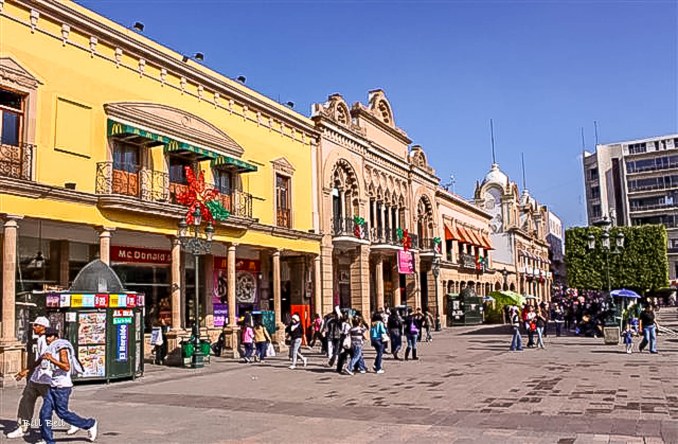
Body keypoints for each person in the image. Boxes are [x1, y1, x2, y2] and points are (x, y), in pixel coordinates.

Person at [38, 327, 98, 444]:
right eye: (46, 337)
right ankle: (47, 440)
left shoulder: (62, 349)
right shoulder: (51, 348)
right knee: (44, 413)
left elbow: (66, 367)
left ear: (56, 337)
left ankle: (90, 424)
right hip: (52, 386)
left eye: (50, 336)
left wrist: (51, 359)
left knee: (62, 413)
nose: (47, 339)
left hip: (62, 387)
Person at [8, 317, 55, 439]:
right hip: (37, 378)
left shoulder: (45, 340)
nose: (33, 327)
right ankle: (23, 427)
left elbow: (44, 358)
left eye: (36, 325)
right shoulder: (40, 339)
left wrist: (27, 370)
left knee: (56, 405)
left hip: (46, 378)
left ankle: (76, 422)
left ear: (43, 327)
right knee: (26, 400)